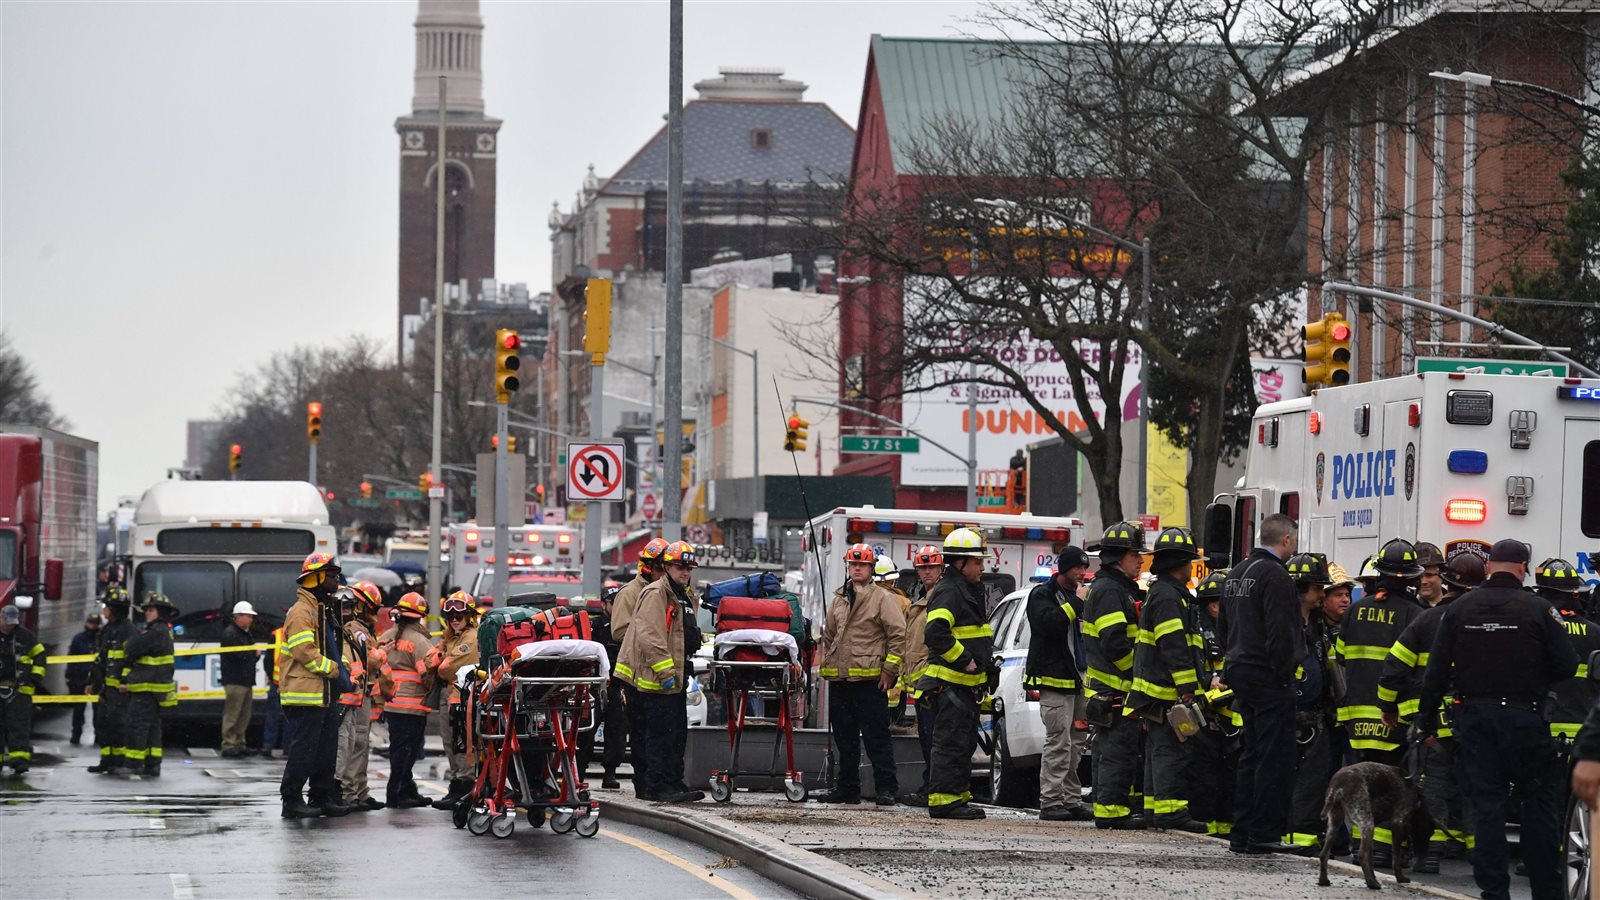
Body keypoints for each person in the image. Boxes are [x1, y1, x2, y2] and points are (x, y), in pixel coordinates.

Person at [1416, 538, 1576, 900]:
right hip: (1527, 720)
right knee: (1538, 806)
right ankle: (1546, 891)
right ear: (1522, 567)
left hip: (1476, 722)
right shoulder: (1539, 609)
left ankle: (1494, 892)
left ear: (1489, 567)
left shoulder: (1458, 610)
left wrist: (1425, 722)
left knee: (1486, 808)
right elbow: (1567, 664)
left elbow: (1436, 672)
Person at [1374, 547, 1478, 871]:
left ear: (1445, 583)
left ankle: (1429, 853)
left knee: (1430, 785)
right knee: (1475, 786)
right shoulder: (1491, 622)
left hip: (1431, 724)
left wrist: (1388, 707)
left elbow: (1393, 668)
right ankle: (1475, 849)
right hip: (1477, 722)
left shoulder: (1428, 620)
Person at [1218, 512, 1307, 855]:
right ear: (1285, 540)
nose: (1294, 546)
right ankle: (1265, 833)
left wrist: (1233, 660)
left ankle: (1242, 832)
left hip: (1241, 670)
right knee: (1274, 757)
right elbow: (1281, 633)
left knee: (1251, 753)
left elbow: (1225, 627)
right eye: (1294, 541)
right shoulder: (1276, 576)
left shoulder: (1237, 573)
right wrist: (1284, 674)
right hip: (1268, 676)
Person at [1126, 527, 1209, 833]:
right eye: (1189, 561)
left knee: (1159, 749)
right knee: (1171, 749)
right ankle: (1169, 811)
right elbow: (1174, 645)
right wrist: (1187, 688)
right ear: (1179, 563)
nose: (1192, 567)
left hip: (1158, 688)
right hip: (1166, 690)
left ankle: (1154, 809)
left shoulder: (1166, 594)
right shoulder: (1168, 597)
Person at [814, 541, 906, 806]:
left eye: (862, 564)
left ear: (871, 568)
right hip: (841, 681)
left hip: (869, 681)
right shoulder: (839, 598)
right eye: (853, 564)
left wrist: (889, 670)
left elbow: (897, 636)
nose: (857, 568)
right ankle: (848, 789)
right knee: (845, 739)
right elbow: (831, 634)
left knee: (877, 738)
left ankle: (886, 789)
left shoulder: (882, 599)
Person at [613, 540, 703, 803]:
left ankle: (673, 782)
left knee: (675, 735)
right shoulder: (656, 593)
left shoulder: (681, 594)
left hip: (675, 676)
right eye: (679, 567)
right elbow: (651, 636)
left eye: (689, 567)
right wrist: (665, 673)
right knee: (658, 735)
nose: (685, 572)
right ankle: (656, 786)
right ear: (666, 567)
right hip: (655, 678)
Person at [919, 527, 994, 820]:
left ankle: (957, 796)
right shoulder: (950, 591)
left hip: (964, 687)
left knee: (962, 742)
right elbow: (935, 632)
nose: (982, 566)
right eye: (978, 561)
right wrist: (964, 660)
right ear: (961, 563)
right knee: (950, 742)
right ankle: (943, 802)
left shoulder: (965, 589)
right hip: (951, 683)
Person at [1336, 539, 1427, 770]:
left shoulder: (1354, 610)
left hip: (1357, 722)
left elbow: (1340, 657)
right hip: (1394, 721)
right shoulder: (1416, 615)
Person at [1082, 521, 1149, 830]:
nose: (1141, 559)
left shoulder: (1114, 587)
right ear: (1118, 557)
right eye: (1136, 554)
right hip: (1116, 688)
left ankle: (1109, 807)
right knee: (1116, 752)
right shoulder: (1110, 591)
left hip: (1109, 688)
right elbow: (1114, 643)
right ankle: (1111, 812)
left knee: (1110, 750)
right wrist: (1138, 673)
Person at [278, 552, 351, 819]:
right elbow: (304, 652)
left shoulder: (323, 609)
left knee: (326, 750)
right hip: (305, 695)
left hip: (324, 693)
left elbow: (330, 649)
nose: (336, 580)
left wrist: (343, 666)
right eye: (331, 576)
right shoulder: (301, 611)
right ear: (316, 578)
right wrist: (334, 670)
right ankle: (292, 800)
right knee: (304, 751)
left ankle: (320, 798)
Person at [1026, 544, 1092, 822]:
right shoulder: (1042, 594)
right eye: (1078, 567)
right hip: (1055, 682)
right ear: (1064, 568)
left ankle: (1071, 799)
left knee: (1076, 743)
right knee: (1059, 742)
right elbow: (1048, 624)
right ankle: (1050, 801)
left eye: (1084, 568)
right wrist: (1076, 602)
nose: (1082, 573)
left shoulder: (1079, 596)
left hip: (1078, 681)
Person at [1284, 553, 1336, 849]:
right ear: (1303, 589)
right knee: (1287, 775)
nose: (1322, 595)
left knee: (1314, 777)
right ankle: (1289, 831)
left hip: (1316, 713)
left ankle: (1304, 834)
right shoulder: (1283, 621)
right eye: (1318, 589)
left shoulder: (1317, 623)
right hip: (1289, 710)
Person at [612, 537, 668, 799]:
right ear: (648, 567)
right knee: (639, 730)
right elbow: (620, 631)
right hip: (635, 673)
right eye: (660, 567)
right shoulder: (630, 593)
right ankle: (641, 783)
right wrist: (647, 633)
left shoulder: (668, 592)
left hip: (657, 672)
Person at [1190, 571, 1237, 837]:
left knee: (1229, 777)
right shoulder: (1198, 632)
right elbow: (1193, 670)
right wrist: (1210, 681)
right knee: (1204, 776)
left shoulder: (1233, 630)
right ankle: (1206, 829)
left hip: (1231, 717)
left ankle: (1225, 828)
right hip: (1204, 717)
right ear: (1212, 604)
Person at [378, 592, 435, 810]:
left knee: (398, 750)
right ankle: (397, 794)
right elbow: (427, 673)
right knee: (406, 752)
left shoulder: (386, 636)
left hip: (392, 702)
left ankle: (408, 790)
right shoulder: (419, 641)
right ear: (419, 616)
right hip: (412, 705)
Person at [897, 544, 941, 807]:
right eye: (923, 567)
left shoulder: (939, 597)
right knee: (927, 738)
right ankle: (930, 785)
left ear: (941, 568)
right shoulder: (921, 599)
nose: (927, 572)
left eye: (932, 567)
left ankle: (933, 788)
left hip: (935, 683)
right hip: (923, 683)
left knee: (934, 738)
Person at [427, 590, 480, 810]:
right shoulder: (452, 638)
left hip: (464, 699)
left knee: (463, 744)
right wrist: (440, 659)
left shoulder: (471, 638)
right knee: (450, 743)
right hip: (451, 698)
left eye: (459, 616)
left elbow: (447, 668)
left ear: (469, 615)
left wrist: (440, 660)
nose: (455, 620)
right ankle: (457, 783)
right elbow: (430, 658)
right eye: (451, 618)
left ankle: (465, 787)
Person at [1538, 558, 1600, 742]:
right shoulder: (1595, 632)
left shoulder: (1536, 628)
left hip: (1543, 729)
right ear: (1575, 594)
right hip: (1585, 731)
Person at [336, 581, 385, 811]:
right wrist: (382, 653)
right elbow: (370, 659)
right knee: (355, 744)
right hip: (355, 694)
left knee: (361, 743)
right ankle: (350, 792)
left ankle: (360, 791)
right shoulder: (355, 628)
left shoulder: (361, 628)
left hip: (363, 694)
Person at [120, 593, 178, 778]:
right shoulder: (164, 631)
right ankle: (152, 764)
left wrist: (132, 642)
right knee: (152, 727)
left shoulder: (154, 632)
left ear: (160, 612)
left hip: (146, 688)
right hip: (154, 689)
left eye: (151, 610)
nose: (147, 613)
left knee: (136, 725)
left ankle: (134, 763)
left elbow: (130, 648)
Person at [578, 584, 628, 790]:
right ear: (604, 604)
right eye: (614, 603)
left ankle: (610, 773)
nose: (618, 607)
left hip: (617, 686)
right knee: (586, 732)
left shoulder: (626, 626)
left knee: (617, 732)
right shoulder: (596, 627)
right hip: (594, 686)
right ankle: (579, 774)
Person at [88, 586, 136, 773]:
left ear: (115, 609)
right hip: (105, 690)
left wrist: (124, 681)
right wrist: (92, 681)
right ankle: (106, 759)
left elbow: (130, 660)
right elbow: (100, 659)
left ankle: (119, 759)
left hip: (119, 691)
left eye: (107, 607)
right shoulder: (107, 630)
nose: (104, 611)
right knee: (103, 724)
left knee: (118, 725)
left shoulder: (128, 631)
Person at [0, 605, 45, 773]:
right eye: (7, 623)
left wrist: (35, 676)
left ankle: (19, 760)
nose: (9, 626)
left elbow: (40, 655)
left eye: (12, 623)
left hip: (20, 690)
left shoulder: (25, 636)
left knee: (18, 725)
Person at [219, 601, 260, 759]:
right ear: (238, 617)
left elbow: (246, 656)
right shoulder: (231, 634)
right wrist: (253, 654)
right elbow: (239, 656)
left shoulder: (244, 633)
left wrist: (252, 655)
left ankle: (239, 743)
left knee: (244, 715)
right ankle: (229, 744)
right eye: (248, 616)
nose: (251, 619)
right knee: (233, 714)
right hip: (235, 681)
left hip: (245, 680)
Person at [65, 614, 100, 745]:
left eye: (95, 623)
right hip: (79, 678)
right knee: (78, 710)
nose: (93, 625)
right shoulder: (78, 639)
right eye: (91, 622)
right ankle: (76, 735)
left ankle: (99, 736)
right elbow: (71, 659)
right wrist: (69, 677)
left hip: (96, 679)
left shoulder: (101, 638)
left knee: (98, 711)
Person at [1414, 542, 1446, 607]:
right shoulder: (1409, 610)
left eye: (1429, 575)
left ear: (1441, 575)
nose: (1423, 582)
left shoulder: (1456, 607)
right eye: (1419, 577)